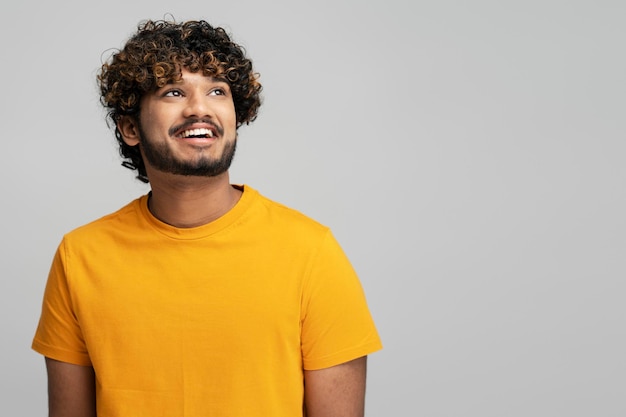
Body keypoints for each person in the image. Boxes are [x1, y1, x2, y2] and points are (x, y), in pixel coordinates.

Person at [32, 19, 382, 417]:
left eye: (217, 91)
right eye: (173, 92)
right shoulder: (80, 256)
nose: (199, 108)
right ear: (130, 127)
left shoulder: (311, 252)